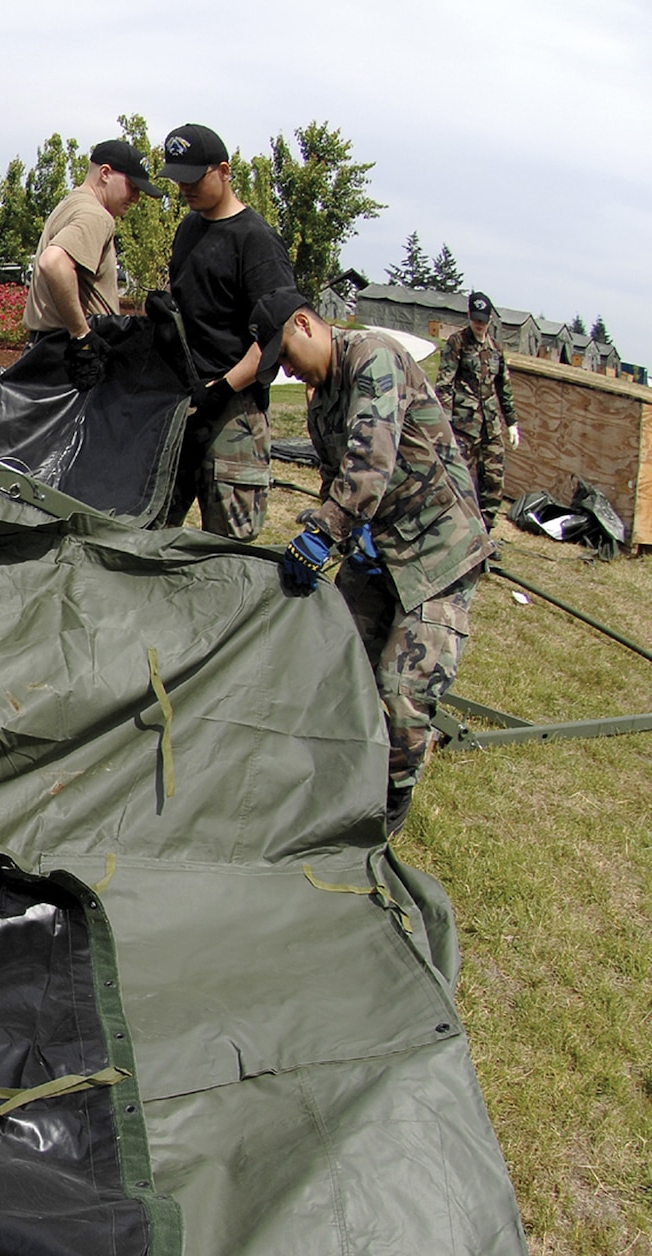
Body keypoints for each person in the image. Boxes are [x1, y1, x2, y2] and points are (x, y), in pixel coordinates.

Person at [253, 288, 489, 836]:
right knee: (340, 669)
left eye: (285, 353)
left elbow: (370, 461)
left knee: (402, 698)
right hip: (380, 549)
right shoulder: (320, 402)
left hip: (438, 554)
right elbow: (337, 478)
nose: (287, 368)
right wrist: (347, 535)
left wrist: (325, 534)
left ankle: (379, 825)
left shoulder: (373, 356)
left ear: (305, 323)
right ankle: (338, 786)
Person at [155, 124, 296, 542]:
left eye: (194, 178)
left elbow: (277, 333)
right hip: (182, 407)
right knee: (153, 529)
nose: (184, 188)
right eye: (178, 179)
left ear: (223, 170)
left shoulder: (256, 241)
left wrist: (221, 388)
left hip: (233, 413)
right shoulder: (188, 229)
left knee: (227, 545)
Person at [21, 140, 165, 389]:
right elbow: (53, 262)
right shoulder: (97, 215)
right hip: (71, 359)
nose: (136, 197)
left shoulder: (71, 204)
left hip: (47, 352)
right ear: (105, 173)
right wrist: (82, 336)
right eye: (132, 186)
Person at [435, 291, 520, 530]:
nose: (479, 325)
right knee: (454, 478)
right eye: (476, 320)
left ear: (490, 320)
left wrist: (512, 422)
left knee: (493, 481)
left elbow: (503, 387)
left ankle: (484, 533)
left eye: (483, 321)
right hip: (462, 425)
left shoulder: (496, 349)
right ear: (470, 317)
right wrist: (445, 422)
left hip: (490, 427)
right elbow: (444, 383)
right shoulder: (457, 342)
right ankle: (449, 530)